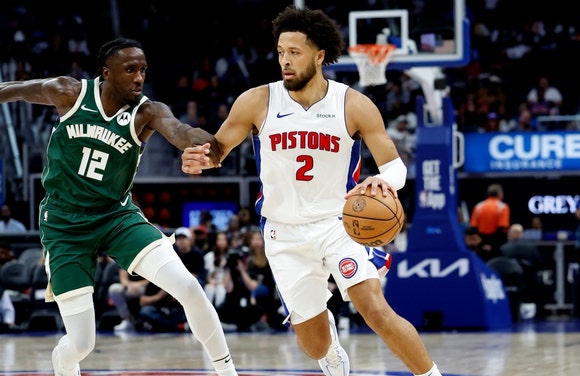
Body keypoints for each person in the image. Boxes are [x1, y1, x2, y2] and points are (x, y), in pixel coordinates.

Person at [181, 6, 441, 376]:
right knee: (314, 344)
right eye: (281, 52)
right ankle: (330, 344)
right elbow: (219, 148)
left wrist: (384, 181)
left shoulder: (352, 104)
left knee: (376, 311)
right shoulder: (257, 100)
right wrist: (200, 159)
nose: (285, 61)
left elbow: (395, 166)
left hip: (340, 223)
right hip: (283, 233)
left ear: (319, 56)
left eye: (295, 53)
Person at [0, 37, 237, 376]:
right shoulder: (70, 93)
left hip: (116, 215)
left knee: (188, 286)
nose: (139, 78)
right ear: (107, 73)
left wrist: (210, 144)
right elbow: (20, 89)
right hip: (65, 224)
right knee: (82, 343)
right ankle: (63, 364)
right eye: (130, 70)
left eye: (143, 70)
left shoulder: (146, 112)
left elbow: (179, 131)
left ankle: (227, 371)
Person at [500, 223, 545, 319]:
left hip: (510, 283)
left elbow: (500, 266)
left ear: (510, 234)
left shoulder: (503, 248)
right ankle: (540, 315)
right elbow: (539, 264)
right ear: (521, 234)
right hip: (529, 282)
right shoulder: (531, 247)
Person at [469, 183, 510, 262]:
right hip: (497, 246)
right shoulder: (503, 207)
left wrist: (483, 243)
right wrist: (492, 245)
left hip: (481, 244)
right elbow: (502, 228)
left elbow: (473, 227)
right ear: (500, 194)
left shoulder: (478, 206)